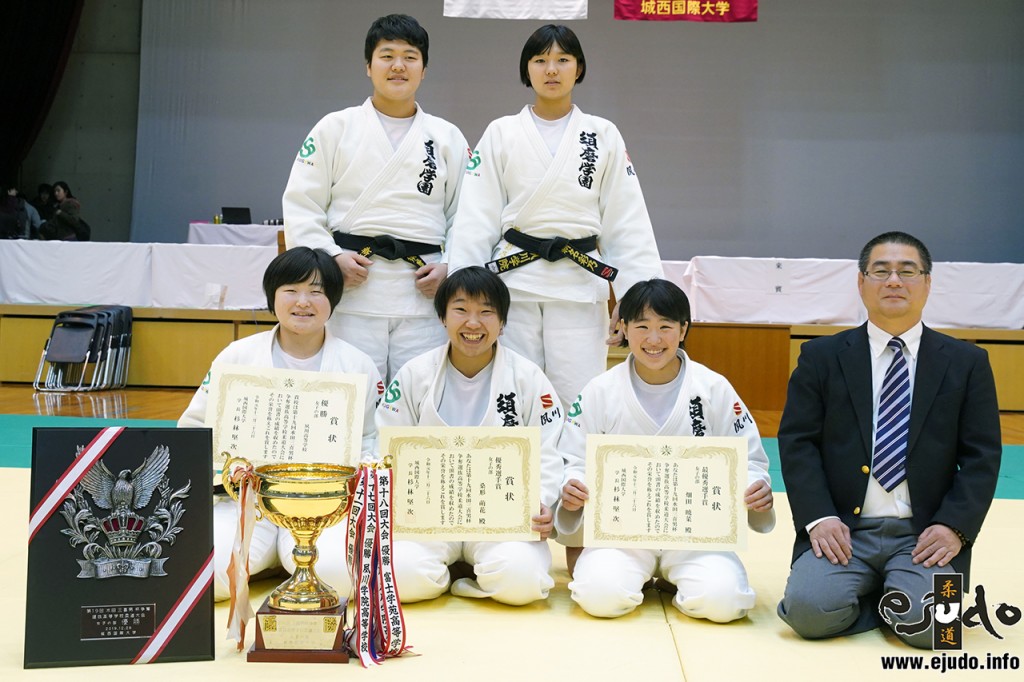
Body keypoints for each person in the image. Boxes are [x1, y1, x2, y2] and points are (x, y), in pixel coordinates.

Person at [776, 231, 1001, 648]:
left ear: (927, 284)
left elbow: (982, 456)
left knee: (941, 631)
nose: (894, 281)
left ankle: (896, 596)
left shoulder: (968, 362)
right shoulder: (821, 358)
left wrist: (955, 527)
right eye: (881, 271)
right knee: (807, 614)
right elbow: (797, 443)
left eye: (908, 271)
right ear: (861, 283)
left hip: (925, 536)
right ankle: (887, 603)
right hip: (843, 530)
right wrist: (819, 516)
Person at [446, 24, 664, 414]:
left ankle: (574, 475)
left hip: (579, 285)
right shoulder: (501, 132)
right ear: (526, 70)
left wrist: (636, 299)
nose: (552, 69)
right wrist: (463, 296)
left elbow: (626, 222)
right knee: (513, 394)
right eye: (540, 60)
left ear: (578, 68)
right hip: (514, 284)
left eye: (563, 59)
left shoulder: (602, 134)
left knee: (578, 398)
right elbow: (475, 217)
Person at [556, 279, 775, 620]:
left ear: (683, 329)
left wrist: (755, 489)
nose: (653, 339)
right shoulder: (599, 390)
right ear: (624, 328)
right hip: (621, 534)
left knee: (725, 601)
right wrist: (572, 484)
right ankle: (641, 576)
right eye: (641, 326)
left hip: (697, 533)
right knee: (598, 596)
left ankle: (679, 584)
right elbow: (572, 458)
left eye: (665, 327)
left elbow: (749, 459)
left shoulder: (714, 388)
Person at [178, 246, 382, 601]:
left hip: (319, 510)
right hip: (244, 502)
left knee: (340, 578)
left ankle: (282, 563)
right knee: (204, 577)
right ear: (273, 296)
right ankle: (272, 562)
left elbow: (372, 441)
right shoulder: (237, 356)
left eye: (316, 291)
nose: (303, 301)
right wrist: (225, 471)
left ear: (332, 300)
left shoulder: (357, 364)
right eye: (291, 290)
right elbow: (195, 429)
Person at [283, 13, 469, 385]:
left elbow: (468, 216)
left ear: (424, 69)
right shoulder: (334, 128)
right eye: (387, 55)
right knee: (349, 395)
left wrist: (451, 265)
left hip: (423, 292)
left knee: (420, 397)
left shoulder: (447, 137)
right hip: (352, 291)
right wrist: (332, 256)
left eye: (409, 56)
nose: (398, 66)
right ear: (368, 66)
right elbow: (302, 204)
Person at [377, 266, 564, 605]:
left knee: (522, 582)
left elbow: (549, 449)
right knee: (399, 580)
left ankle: (468, 583)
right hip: (429, 517)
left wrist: (541, 501)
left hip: (500, 519)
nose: (473, 323)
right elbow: (385, 444)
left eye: (486, 312)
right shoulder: (415, 374)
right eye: (461, 310)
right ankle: (448, 574)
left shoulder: (527, 378)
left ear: (502, 322)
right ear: (442, 317)